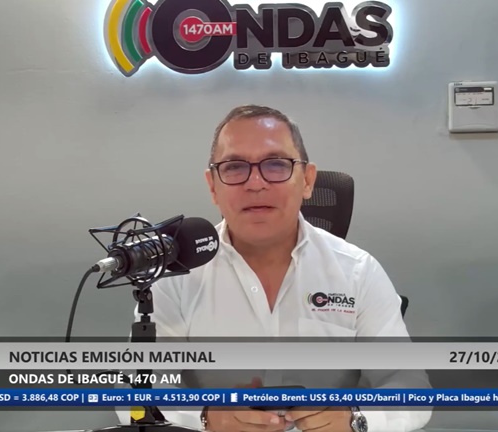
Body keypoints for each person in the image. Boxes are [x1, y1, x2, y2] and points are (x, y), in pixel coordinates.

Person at [115, 105, 432, 431]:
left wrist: (356, 419)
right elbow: (133, 395)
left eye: (276, 164)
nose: (255, 183)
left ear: (307, 180)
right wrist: (206, 417)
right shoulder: (177, 276)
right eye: (234, 167)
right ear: (213, 186)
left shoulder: (358, 272)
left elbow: (410, 388)